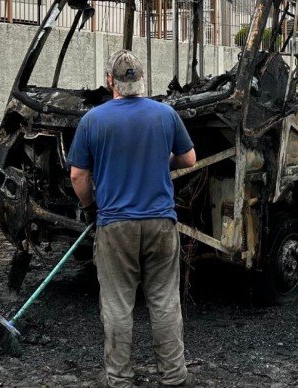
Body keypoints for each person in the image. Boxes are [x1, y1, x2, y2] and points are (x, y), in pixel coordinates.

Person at [67, 50, 197, 388]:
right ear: (141, 80)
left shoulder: (93, 120)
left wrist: (92, 207)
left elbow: (78, 175)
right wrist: (160, 161)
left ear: (110, 80)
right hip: (160, 223)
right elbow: (189, 159)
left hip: (115, 225)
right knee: (165, 299)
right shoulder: (166, 115)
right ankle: (173, 375)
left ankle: (118, 377)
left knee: (118, 302)